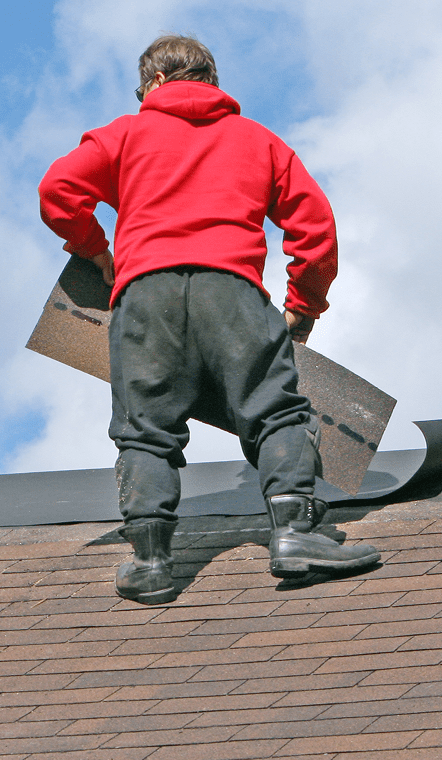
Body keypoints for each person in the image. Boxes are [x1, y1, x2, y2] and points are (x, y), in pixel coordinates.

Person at [38, 35, 379, 604]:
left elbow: (58, 190)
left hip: (145, 294)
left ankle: (149, 562)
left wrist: (96, 247)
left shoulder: (122, 135)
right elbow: (316, 229)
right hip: (234, 293)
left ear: (150, 86)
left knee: (146, 429)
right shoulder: (258, 141)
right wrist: (304, 303)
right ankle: (294, 535)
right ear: (212, 82)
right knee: (275, 414)